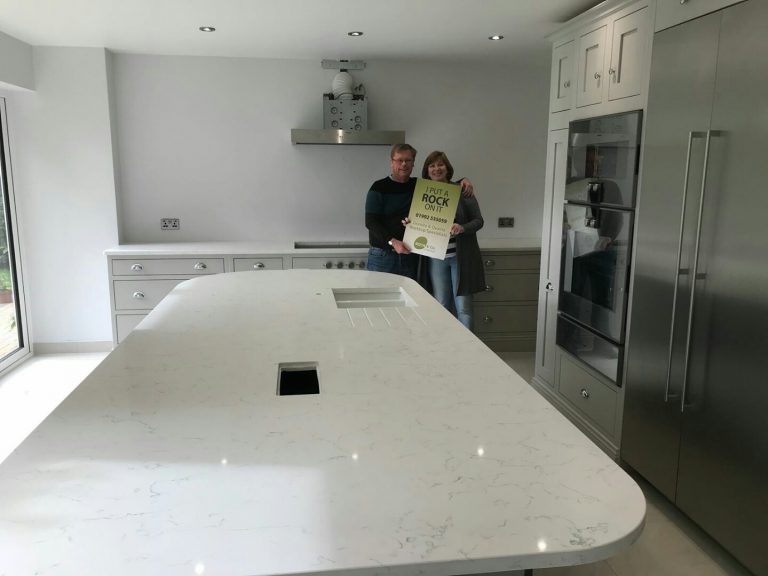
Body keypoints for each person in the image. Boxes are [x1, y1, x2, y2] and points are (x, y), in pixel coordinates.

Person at [365, 144, 473, 280]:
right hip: (383, 256)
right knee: (381, 299)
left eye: (408, 160)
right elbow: (370, 222)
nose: (404, 164)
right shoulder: (378, 187)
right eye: (399, 160)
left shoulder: (419, 186)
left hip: (411, 255)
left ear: (413, 163)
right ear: (391, 162)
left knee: (411, 300)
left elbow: (443, 187)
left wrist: (463, 181)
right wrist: (393, 242)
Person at [418, 151, 485, 330]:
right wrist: (411, 224)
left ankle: (468, 352)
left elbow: (479, 221)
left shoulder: (463, 191)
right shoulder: (421, 194)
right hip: (436, 258)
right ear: (426, 170)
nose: (436, 169)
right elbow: (417, 221)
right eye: (432, 165)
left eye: (440, 164)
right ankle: (446, 351)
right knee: (441, 305)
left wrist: (462, 228)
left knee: (463, 307)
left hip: (460, 258)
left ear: (447, 168)